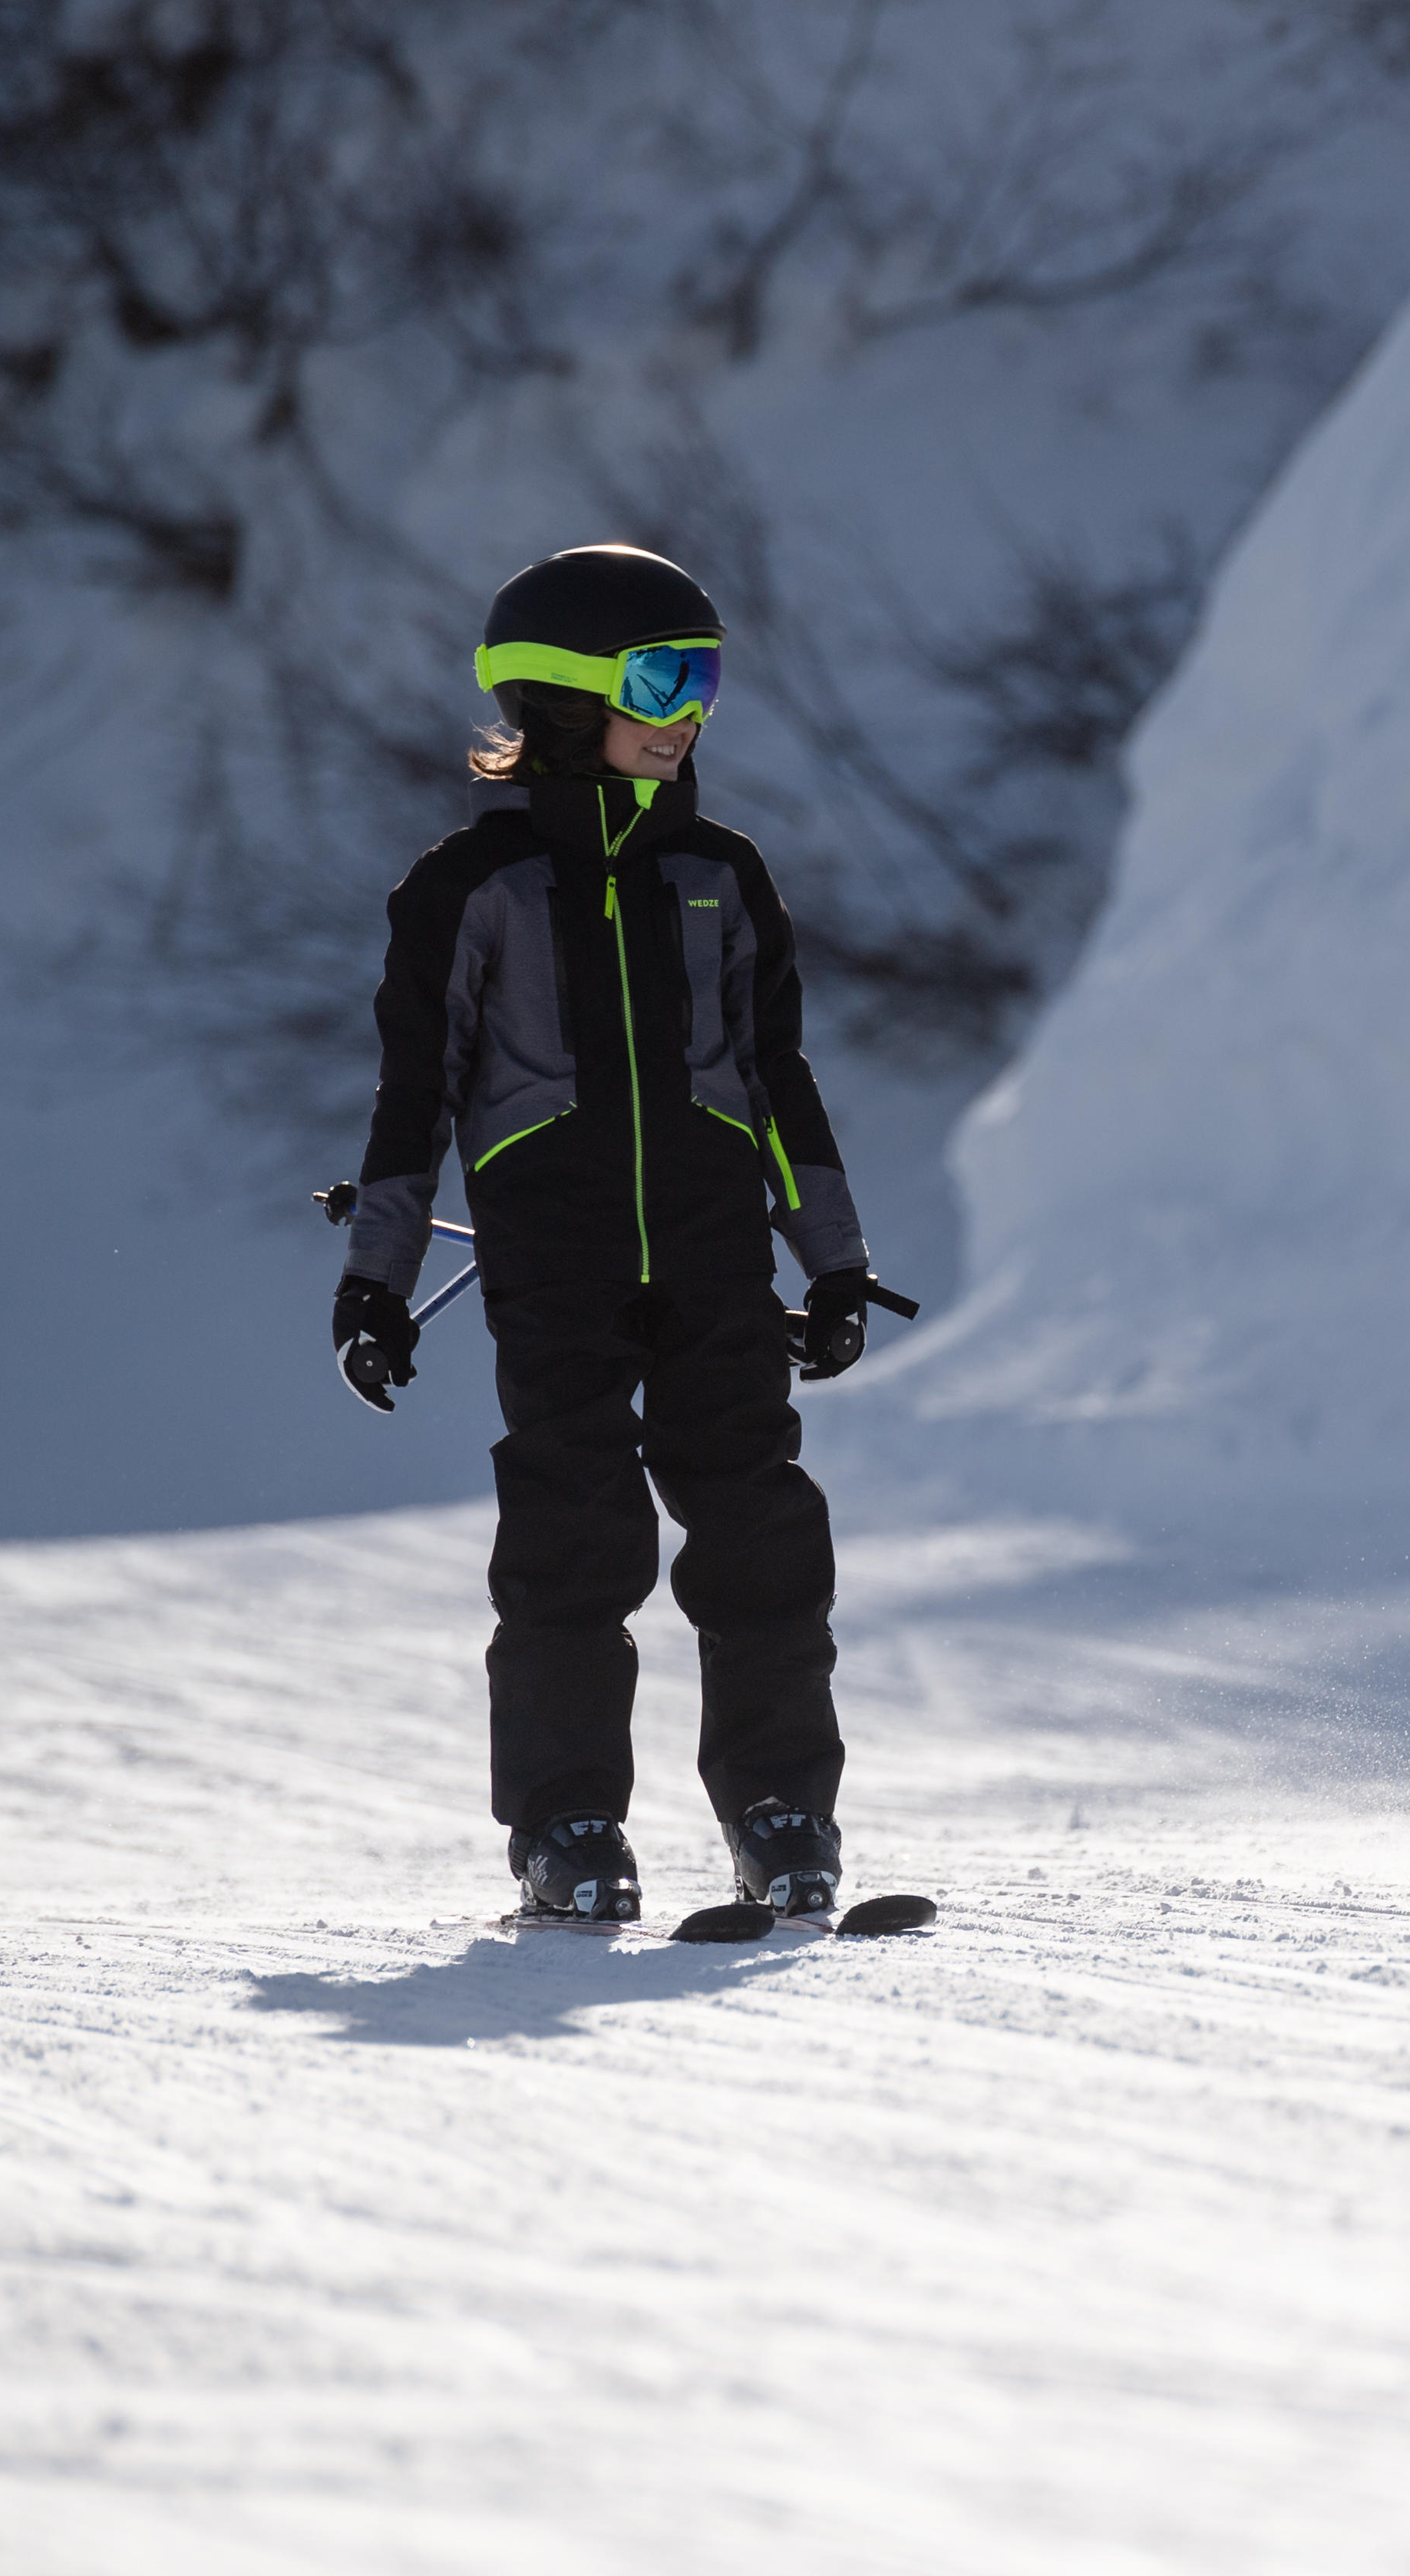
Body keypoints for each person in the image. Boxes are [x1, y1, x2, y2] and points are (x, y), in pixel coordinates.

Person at [331, 544, 897, 1924]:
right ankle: (566, 1823)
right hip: (556, 1268)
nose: (691, 708)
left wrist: (833, 1261)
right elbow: (415, 1103)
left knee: (761, 1534)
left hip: (714, 1263)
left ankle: (783, 1813)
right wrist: (376, 1283)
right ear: (569, 696)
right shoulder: (471, 890)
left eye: (705, 676)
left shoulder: (720, 872)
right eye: (664, 674)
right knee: (576, 1542)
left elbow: (780, 1086)